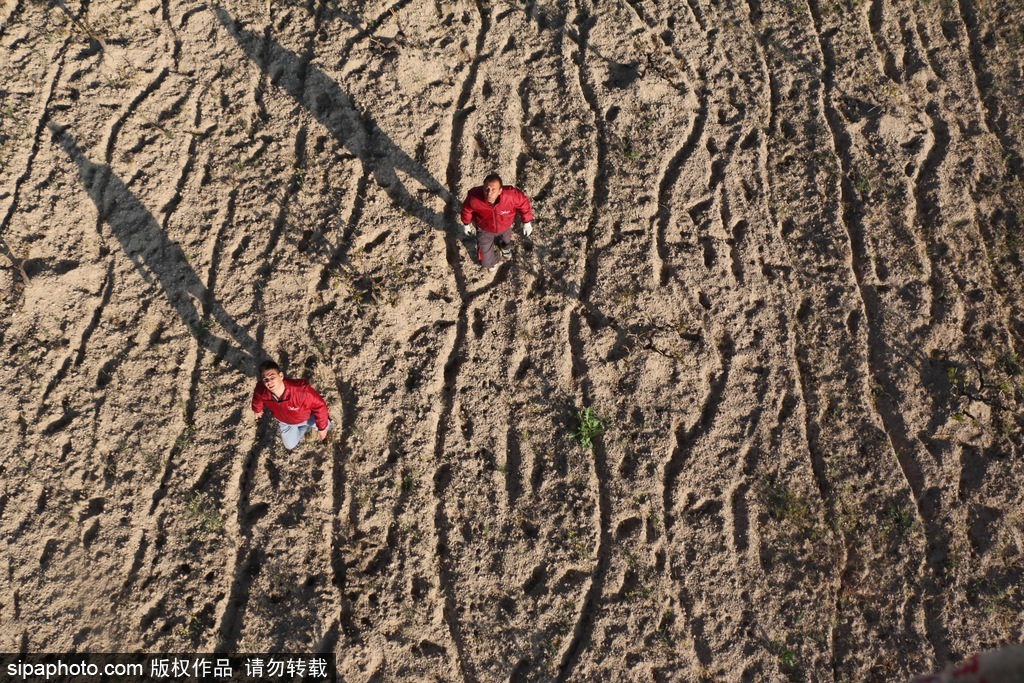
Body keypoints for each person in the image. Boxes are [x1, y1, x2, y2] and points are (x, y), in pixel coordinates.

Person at [459, 173, 534, 272]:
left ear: (500, 191)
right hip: (484, 229)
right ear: (483, 188)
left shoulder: (511, 196)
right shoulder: (474, 198)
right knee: (486, 259)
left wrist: (527, 222)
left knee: (506, 241)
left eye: (494, 190)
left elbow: (523, 203)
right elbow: (466, 210)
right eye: (487, 189)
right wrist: (466, 223)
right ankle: (490, 263)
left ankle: (505, 249)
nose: (489, 193)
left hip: (505, 226)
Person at [251, 360, 331, 449]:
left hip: (307, 418)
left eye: (272, 377)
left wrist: (322, 428)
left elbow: (320, 406)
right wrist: (257, 409)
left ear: (281, 376)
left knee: (326, 427)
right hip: (285, 422)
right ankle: (306, 428)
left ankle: (312, 426)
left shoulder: (300, 391)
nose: (269, 382)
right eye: (265, 379)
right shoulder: (261, 389)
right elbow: (257, 397)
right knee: (290, 445)